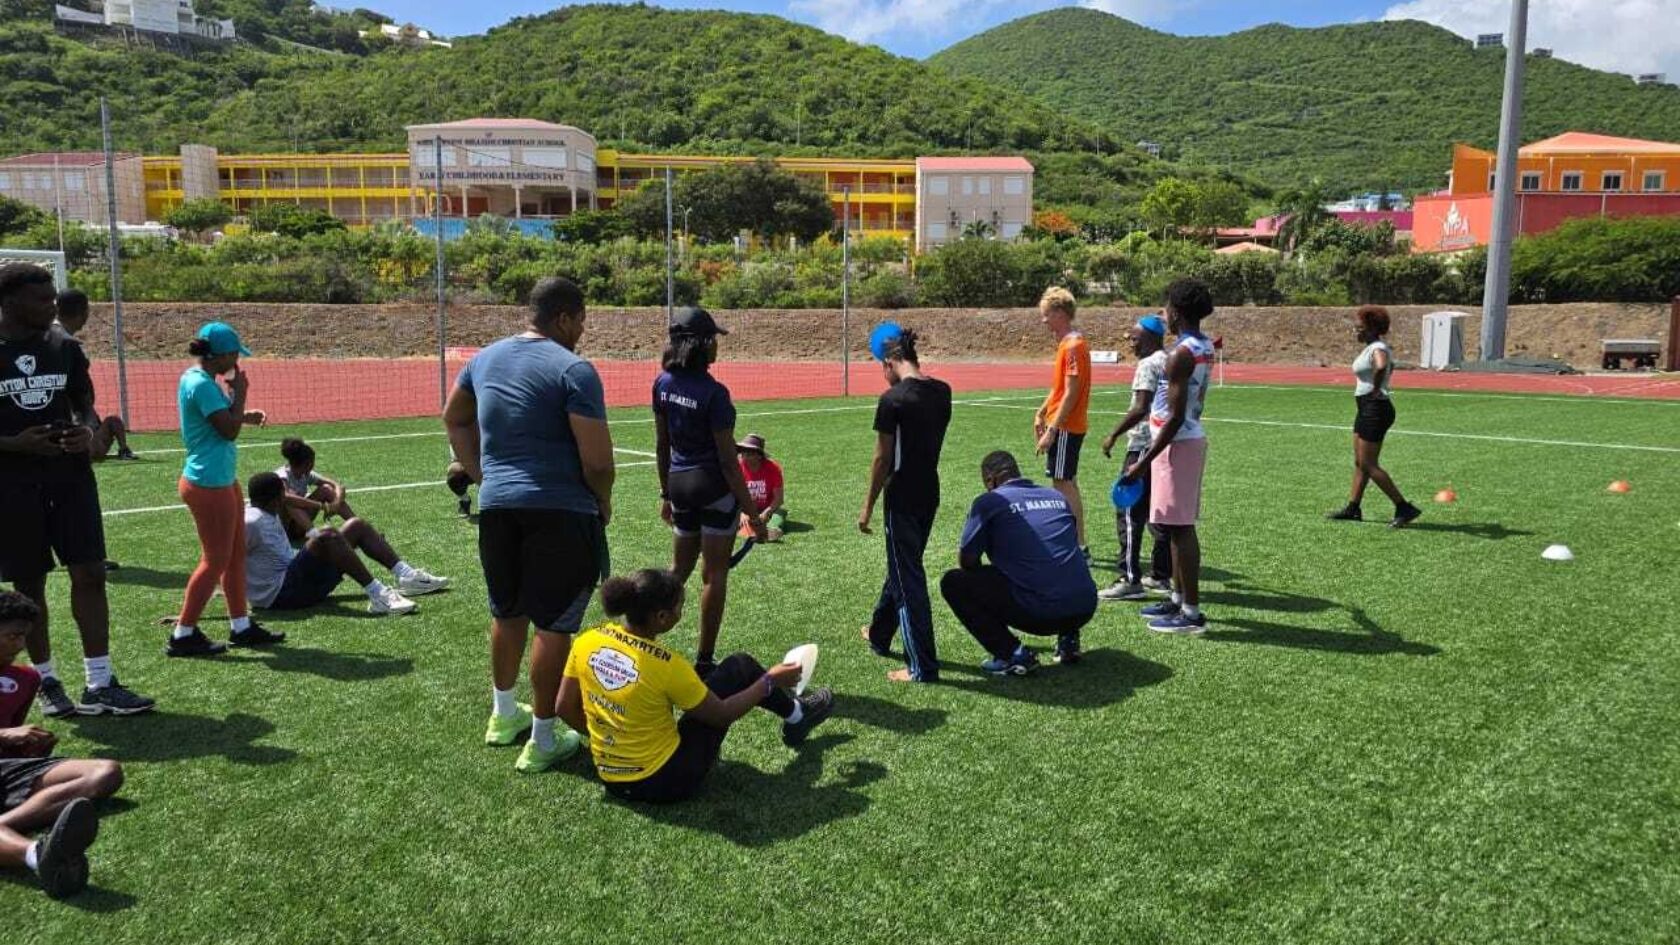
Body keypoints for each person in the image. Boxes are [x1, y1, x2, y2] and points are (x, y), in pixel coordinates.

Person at [443, 276, 614, 774]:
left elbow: (453, 417)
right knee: (555, 624)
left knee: (507, 611)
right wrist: (602, 502)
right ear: (563, 317)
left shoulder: (484, 359)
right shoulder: (574, 370)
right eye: (581, 320)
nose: (583, 330)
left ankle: (502, 715)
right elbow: (599, 463)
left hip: (497, 508)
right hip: (559, 510)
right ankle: (542, 737)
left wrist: (481, 474)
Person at [0, 264, 153, 717]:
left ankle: (100, 681)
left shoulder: (64, 347)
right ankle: (46, 680)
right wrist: (14, 444)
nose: (53, 306)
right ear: (8, 303)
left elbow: (85, 407)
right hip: (12, 484)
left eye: (52, 298)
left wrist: (87, 433)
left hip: (70, 479)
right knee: (30, 584)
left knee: (89, 573)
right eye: (41, 300)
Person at [557, 569, 833, 803]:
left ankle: (796, 715)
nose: (681, 613)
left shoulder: (587, 641)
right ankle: (797, 716)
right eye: (680, 607)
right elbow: (722, 714)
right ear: (661, 617)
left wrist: (607, 740)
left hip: (611, 778)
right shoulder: (667, 664)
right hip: (668, 782)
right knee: (741, 667)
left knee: (725, 676)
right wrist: (770, 680)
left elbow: (563, 707)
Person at [653, 306, 767, 679]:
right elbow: (729, 463)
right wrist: (751, 512)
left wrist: (666, 495)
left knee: (678, 570)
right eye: (714, 339)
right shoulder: (715, 393)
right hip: (713, 488)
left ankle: (642, 636)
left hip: (679, 486)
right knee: (714, 576)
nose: (718, 346)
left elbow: (662, 445)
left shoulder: (662, 384)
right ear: (701, 345)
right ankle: (704, 660)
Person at [168, 321, 283, 657]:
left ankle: (241, 626)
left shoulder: (201, 380)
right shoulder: (201, 383)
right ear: (219, 355)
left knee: (233, 558)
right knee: (215, 561)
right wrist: (241, 394)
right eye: (234, 354)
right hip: (208, 484)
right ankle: (182, 634)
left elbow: (220, 421)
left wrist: (242, 414)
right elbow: (227, 431)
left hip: (220, 480)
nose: (237, 361)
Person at [0, 592, 125, 898]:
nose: (19, 645)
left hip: (7, 769)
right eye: (12, 636)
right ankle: (34, 854)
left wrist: (29, 746)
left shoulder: (27, 678)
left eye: (24, 637)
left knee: (105, 772)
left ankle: (5, 824)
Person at [942, 452, 1099, 673]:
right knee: (1058, 564)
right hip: (1085, 605)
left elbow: (967, 561)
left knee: (953, 582)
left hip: (1040, 613)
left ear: (991, 480)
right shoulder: (1056, 496)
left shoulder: (989, 502)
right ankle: (1069, 642)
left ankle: (1012, 654)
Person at [859, 325, 951, 683]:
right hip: (930, 492)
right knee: (904, 564)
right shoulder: (942, 391)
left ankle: (923, 666)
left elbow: (882, 460)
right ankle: (880, 634)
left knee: (907, 577)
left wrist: (867, 505)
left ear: (890, 362)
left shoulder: (893, 400)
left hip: (902, 498)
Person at [1124, 279, 1217, 635]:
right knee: (1173, 526)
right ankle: (1178, 599)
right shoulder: (1201, 345)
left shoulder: (1181, 353)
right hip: (1183, 440)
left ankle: (1190, 612)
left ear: (1176, 312)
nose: (1165, 315)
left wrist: (1143, 461)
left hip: (1177, 443)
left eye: (1167, 309)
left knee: (1180, 529)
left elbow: (1175, 415)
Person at [245, 472, 447, 616]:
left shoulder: (267, 513)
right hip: (282, 595)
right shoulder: (251, 521)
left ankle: (407, 577)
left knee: (355, 525)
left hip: (296, 582)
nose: (288, 496)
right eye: (284, 492)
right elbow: (224, 558)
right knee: (327, 534)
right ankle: (378, 596)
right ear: (277, 498)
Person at [1098, 315, 1174, 601]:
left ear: (1151, 338)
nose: (1130, 342)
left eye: (1135, 337)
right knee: (1159, 512)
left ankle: (1129, 578)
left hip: (1143, 443)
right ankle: (1160, 575)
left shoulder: (1148, 364)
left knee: (1129, 510)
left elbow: (1141, 407)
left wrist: (1113, 434)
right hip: (1163, 444)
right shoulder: (1168, 359)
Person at [1328, 306, 1423, 528]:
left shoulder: (1378, 347)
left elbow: (1381, 366)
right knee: (1360, 462)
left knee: (1369, 464)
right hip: (1366, 408)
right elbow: (1390, 366)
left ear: (1370, 328)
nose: (1356, 331)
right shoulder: (1372, 347)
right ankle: (1353, 508)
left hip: (1375, 408)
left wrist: (1376, 389)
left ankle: (1404, 507)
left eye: (1359, 327)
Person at [1032, 287, 1093, 563]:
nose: (1043, 321)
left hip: (1067, 427)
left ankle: (1079, 546)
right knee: (1065, 482)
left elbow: (1071, 392)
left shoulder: (1073, 346)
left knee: (1063, 483)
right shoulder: (1069, 344)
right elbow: (1060, 389)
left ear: (1059, 313)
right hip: (1064, 424)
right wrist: (1042, 411)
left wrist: (1053, 429)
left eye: (1046, 315)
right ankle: (1077, 542)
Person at [53, 290, 135, 462]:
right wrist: (85, 422)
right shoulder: (63, 343)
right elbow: (72, 389)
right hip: (67, 420)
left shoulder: (48, 337)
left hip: (65, 420)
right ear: (84, 312)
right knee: (92, 453)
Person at [275, 437, 354, 542]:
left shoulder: (305, 474)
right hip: (281, 530)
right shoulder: (281, 476)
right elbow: (287, 497)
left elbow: (336, 485)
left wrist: (336, 503)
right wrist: (321, 506)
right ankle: (315, 535)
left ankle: (358, 525)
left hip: (297, 527)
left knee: (325, 489)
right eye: (313, 462)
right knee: (290, 500)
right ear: (307, 463)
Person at [735, 433, 786, 542]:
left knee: (779, 513)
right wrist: (741, 513)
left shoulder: (773, 468)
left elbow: (779, 499)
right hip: (744, 508)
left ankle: (772, 531)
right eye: (742, 452)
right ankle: (751, 531)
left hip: (767, 508)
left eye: (749, 453)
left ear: (759, 455)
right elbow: (732, 495)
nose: (744, 456)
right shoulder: (737, 467)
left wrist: (766, 513)